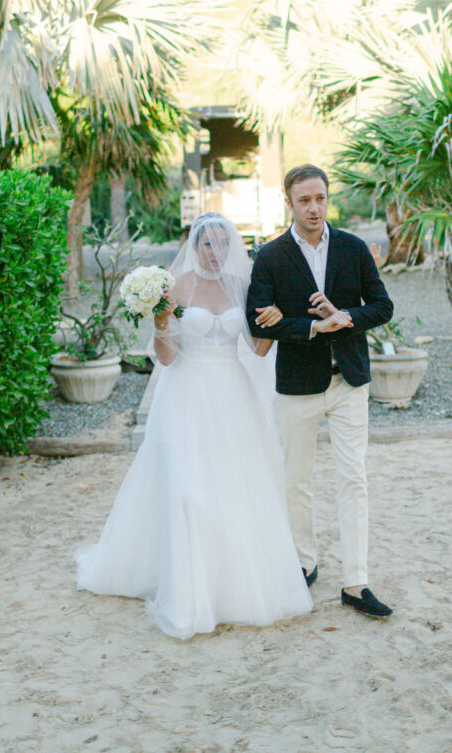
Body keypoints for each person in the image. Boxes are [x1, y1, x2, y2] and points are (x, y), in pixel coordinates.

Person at [76, 213, 313, 638]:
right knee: (188, 491)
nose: (217, 253)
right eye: (209, 245)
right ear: (194, 244)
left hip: (231, 394)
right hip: (186, 393)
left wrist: (274, 326)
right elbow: (166, 358)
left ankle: (230, 586)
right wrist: (161, 320)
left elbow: (256, 350)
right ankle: (189, 593)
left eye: (225, 244)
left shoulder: (242, 286)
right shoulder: (176, 286)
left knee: (233, 488)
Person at [246, 164, 395, 619]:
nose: (314, 208)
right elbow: (257, 321)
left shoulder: (352, 248)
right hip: (298, 386)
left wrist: (343, 315)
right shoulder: (270, 256)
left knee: (355, 479)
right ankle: (303, 563)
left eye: (320, 198)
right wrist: (312, 326)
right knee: (297, 481)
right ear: (288, 203)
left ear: (328, 199)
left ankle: (356, 582)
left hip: (348, 381)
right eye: (304, 200)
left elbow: (383, 306)